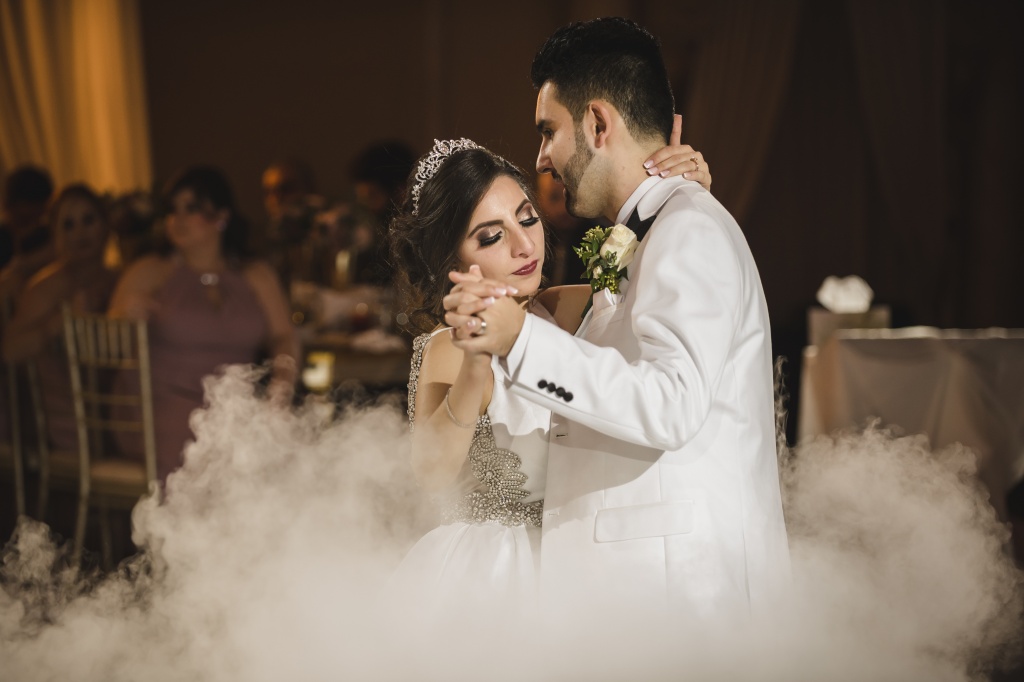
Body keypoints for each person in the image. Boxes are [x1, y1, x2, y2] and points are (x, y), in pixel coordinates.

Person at [443, 18, 789, 618]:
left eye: (548, 131)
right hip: (637, 592)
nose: (542, 158)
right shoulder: (649, 232)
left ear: (598, 124)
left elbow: (673, 403)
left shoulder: (687, 229)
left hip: (682, 596)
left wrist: (521, 342)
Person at [388, 132, 711, 609]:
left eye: (527, 218)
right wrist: (477, 361)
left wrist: (681, 200)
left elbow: (667, 286)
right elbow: (431, 473)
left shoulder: (566, 307)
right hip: (493, 580)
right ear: (452, 259)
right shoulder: (448, 345)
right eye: (492, 237)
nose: (524, 245)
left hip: (581, 555)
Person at [107, 166, 298, 484]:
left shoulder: (256, 275)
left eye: (192, 208)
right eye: (173, 210)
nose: (178, 219)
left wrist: (281, 391)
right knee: (205, 448)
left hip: (233, 407)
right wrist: (122, 319)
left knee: (280, 448)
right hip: (159, 408)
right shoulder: (149, 271)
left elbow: (284, 338)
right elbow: (107, 346)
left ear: (221, 216)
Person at [2, 184, 118, 451]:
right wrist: (59, 323)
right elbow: (9, 351)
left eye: (88, 220)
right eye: (68, 225)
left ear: (105, 226)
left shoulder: (120, 280)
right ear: (56, 235)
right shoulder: (46, 287)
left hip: (119, 406)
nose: (80, 233)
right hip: (70, 418)